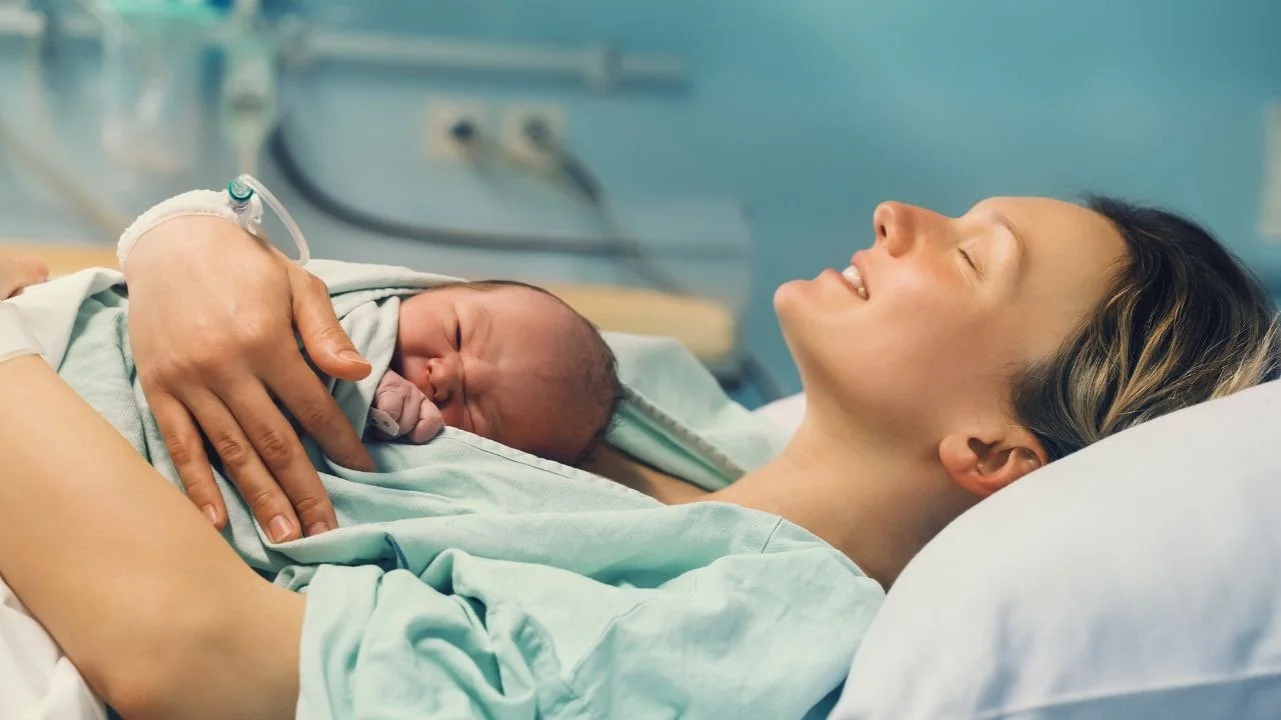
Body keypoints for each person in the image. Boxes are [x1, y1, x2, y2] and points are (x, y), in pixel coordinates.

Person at [0, 193, 1274, 719]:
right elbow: (295, 294)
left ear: (992, 450)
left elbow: (206, 661)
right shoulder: (663, 413)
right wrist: (176, 243)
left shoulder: (754, 623)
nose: (900, 215)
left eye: (969, 257)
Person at [367, 279, 621, 467]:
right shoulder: (354, 304)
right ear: (429, 289)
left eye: (479, 414)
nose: (443, 376)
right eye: (457, 334)